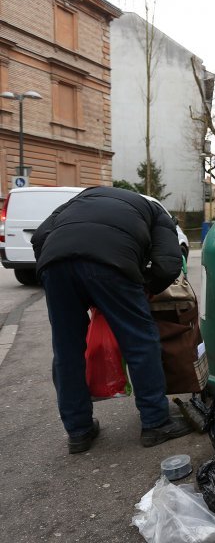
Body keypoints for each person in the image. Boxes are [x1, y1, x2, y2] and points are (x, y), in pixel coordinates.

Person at [32, 186, 192, 454]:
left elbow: (39, 238)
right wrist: (144, 289)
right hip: (112, 263)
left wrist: (58, 273)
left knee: (67, 350)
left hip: (55, 264)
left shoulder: (77, 201)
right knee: (140, 341)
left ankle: (78, 430)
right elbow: (167, 265)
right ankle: (155, 422)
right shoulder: (154, 210)